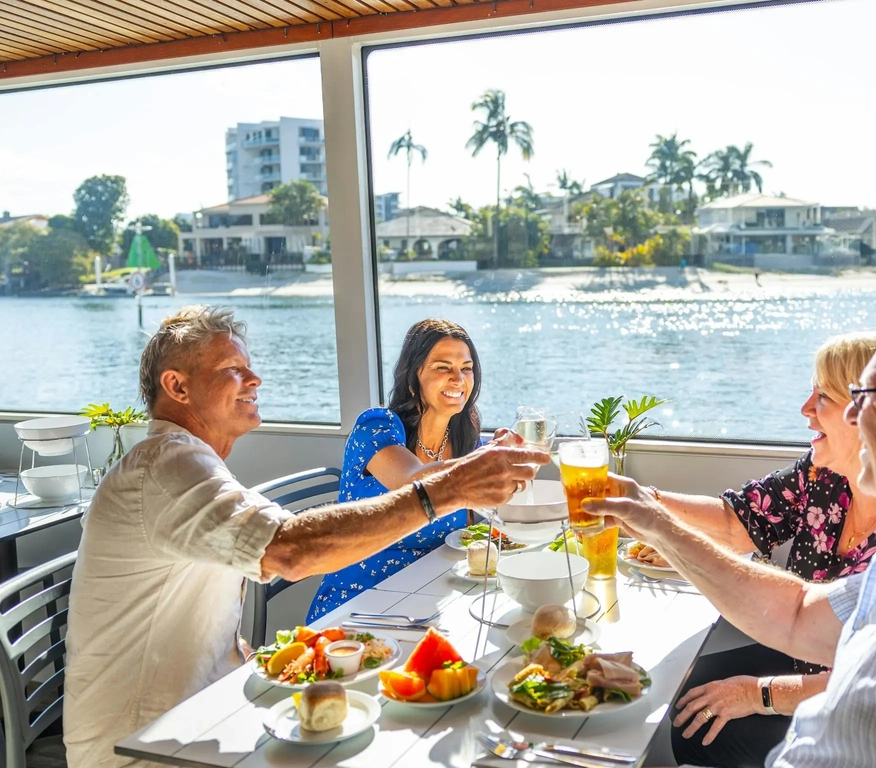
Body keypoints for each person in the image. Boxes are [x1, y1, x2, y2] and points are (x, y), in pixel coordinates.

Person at [63, 306, 548, 768]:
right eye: (233, 369)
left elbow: (204, 623)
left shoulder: (191, 464)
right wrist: (447, 489)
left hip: (203, 713)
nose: (255, 380)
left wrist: (265, 666)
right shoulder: (165, 466)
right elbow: (290, 549)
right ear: (177, 386)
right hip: (145, 745)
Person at [589, 286, 876, 766]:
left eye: (865, 396)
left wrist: (761, 693)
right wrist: (651, 519)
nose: (854, 415)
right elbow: (795, 613)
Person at [646, 332, 876, 768]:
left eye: (821, 396)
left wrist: (758, 693)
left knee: (698, 729)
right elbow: (735, 522)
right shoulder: (824, 475)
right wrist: (646, 502)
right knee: (674, 687)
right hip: (797, 652)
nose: (805, 409)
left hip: (855, 704)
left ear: (866, 415)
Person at [307, 318, 486, 620]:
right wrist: (486, 463)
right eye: (442, 367)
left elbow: (474, 529)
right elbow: (411, 484)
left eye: (466, 368)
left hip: (431, 600)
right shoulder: (377, 426)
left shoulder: (466, 439)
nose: (458, 378)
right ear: (412, 375)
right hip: (359, 604)